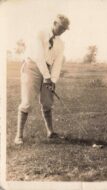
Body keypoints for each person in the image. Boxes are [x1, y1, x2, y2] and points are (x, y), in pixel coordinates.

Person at [14, 14, 70, 144]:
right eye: (61, 27)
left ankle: (50, 132)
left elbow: (57, 63)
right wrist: (46, 77)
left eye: (64, 29)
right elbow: (39, 57)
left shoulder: (61, 43)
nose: (62, 31)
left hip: (48, 71)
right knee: (27, 102)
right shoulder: (40, 33)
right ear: (54, 23)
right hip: (32, 67)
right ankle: (19, 136)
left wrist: (53, 80)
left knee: (47, 102)